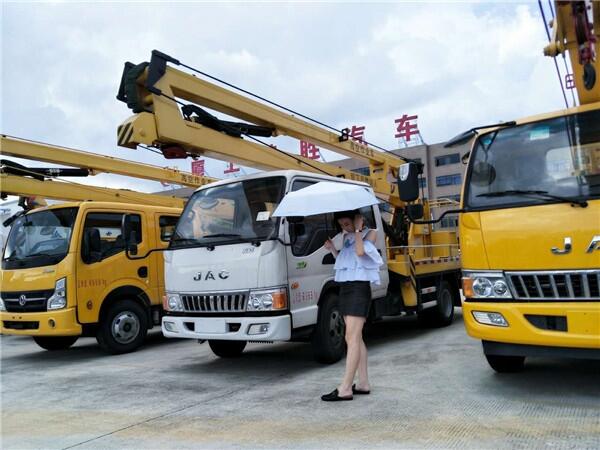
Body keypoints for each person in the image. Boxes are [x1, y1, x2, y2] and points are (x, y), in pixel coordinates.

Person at [321, 209, 383, 402]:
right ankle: (363, 383)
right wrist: (332, 248)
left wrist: (356, 230)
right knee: (356, 337)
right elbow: (346, 259)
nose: (344, 228)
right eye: (341, 225)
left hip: (359, 288)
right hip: (346, 287)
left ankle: (346, 387)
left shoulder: (370, 232)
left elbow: (360, 252)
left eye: (346, 224)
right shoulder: (346, 236)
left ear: (358, 219)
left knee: (352, 337)